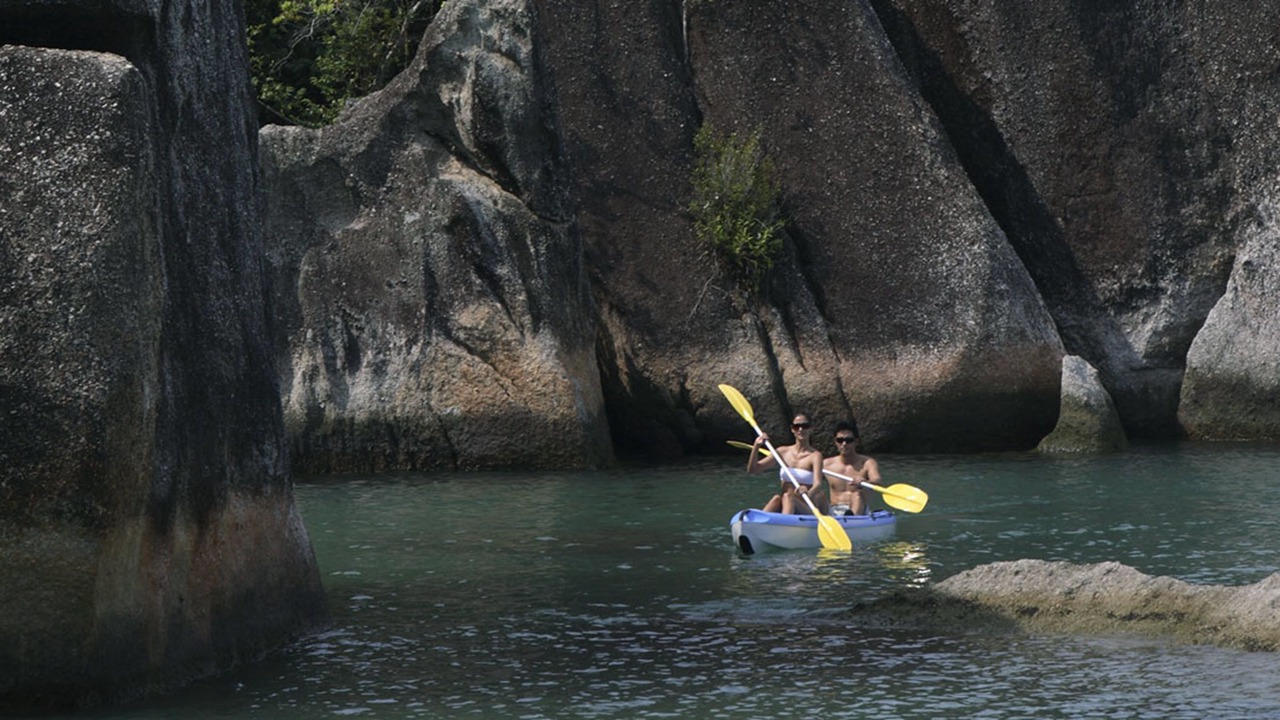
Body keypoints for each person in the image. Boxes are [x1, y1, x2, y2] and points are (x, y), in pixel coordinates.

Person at [747, 412, 826, 515]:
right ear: (792, 429)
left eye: (805, 426)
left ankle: (784, 523)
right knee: (777, 498)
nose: (800, 429)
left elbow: (818, 484)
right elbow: (753, 470)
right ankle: (755, 523)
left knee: (788, 497)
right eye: (796, 426)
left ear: (811, 429)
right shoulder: (782, 452)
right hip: (786, 503)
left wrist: (808, 493)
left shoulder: (815, 456)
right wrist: (756, 447)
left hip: (805, 506)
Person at [823, 420, 881, 515]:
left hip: (859, 510)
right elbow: (809, 479)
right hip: (834, 509)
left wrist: (865, 482)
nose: (844, 444)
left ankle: (852, 518)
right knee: (819, 495)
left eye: (849, 440)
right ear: (835, 442)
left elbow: (877, 480)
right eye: (840, 440)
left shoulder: (867, 463)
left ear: (856, 442)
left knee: (857, 494)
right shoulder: (826, 465)